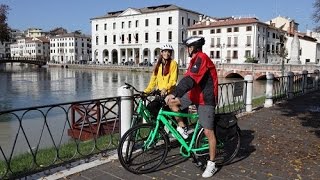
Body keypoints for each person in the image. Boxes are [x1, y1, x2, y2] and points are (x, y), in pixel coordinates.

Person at [165, 36, 219, 178]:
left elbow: (190, 80)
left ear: (194, 47)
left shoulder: (202, 58)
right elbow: (186, 79)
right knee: (172, 103)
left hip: (205, 100)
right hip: (194, 95)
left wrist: (175, 93)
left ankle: (212, 164)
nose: (187, 50)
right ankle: (183, 128)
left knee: (208, 132)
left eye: (188, 47)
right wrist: (173, 95)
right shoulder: (193, 61)